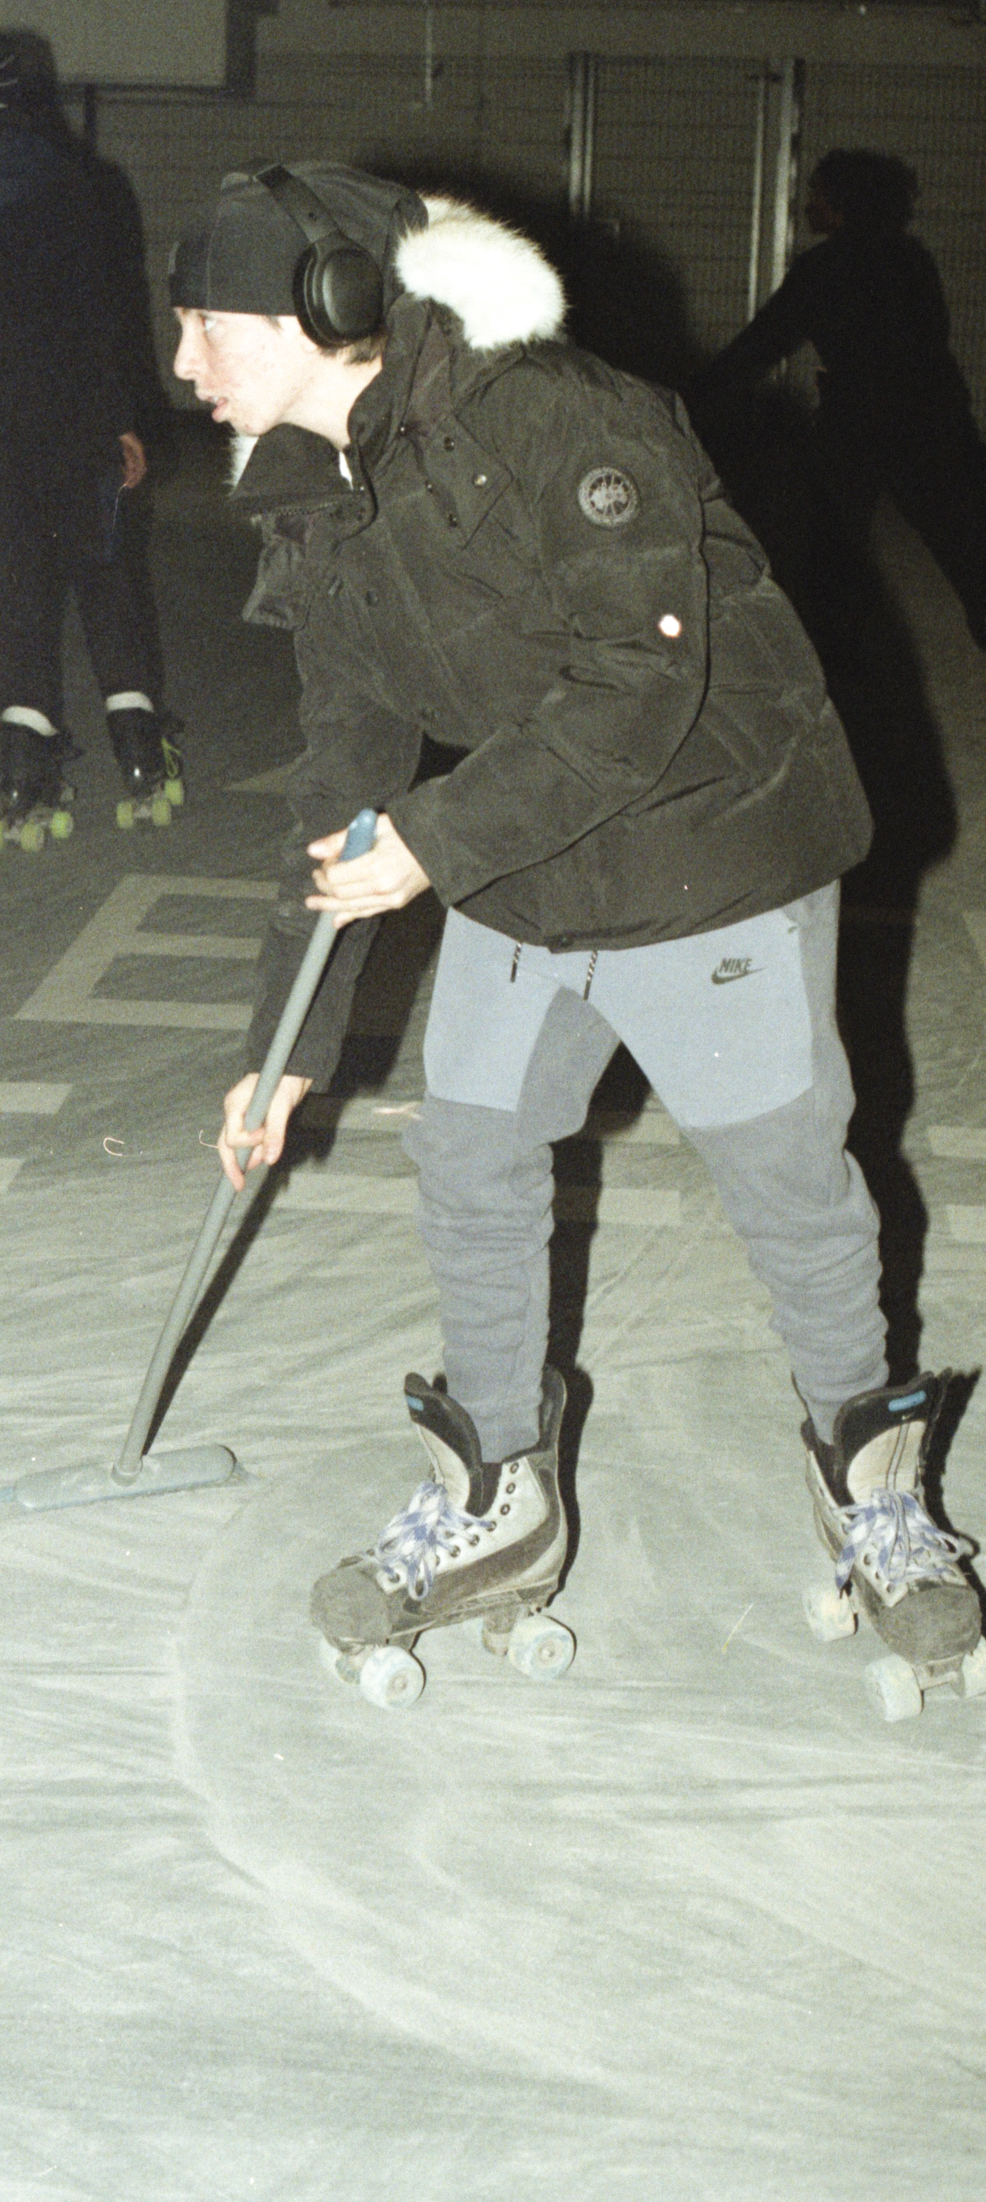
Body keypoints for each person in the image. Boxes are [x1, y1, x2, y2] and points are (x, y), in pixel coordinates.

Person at [168, 160, 983, 1714]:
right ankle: (499, 1487)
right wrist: (282, 1050)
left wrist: (434, 840)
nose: (186, 364)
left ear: (329, 313)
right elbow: (344, 779)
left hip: (710, 844)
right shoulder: (309, 481)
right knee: (471, 1152)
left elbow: (636, 689)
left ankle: (870, 1482)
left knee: (787, 1178)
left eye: (211, 324)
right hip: (532, 859)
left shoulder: (562, 419)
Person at [0, 29, 178, 843]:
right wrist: (124, 416)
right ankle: (143, 757)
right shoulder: (87, 182)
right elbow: (109, 311)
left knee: (17, 583)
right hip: (80, 412)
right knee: (106, 572)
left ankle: (26, 777)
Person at [695, 148, 986, 649]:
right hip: (936, 419)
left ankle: (830, 656)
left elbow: (762, 344)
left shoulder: (824, 267)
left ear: (841, 201)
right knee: (968, 546)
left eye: (816, 193)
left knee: (829, 549)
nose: (809, 202)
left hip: (859, 424)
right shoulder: (911, 259)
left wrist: (691, 392)